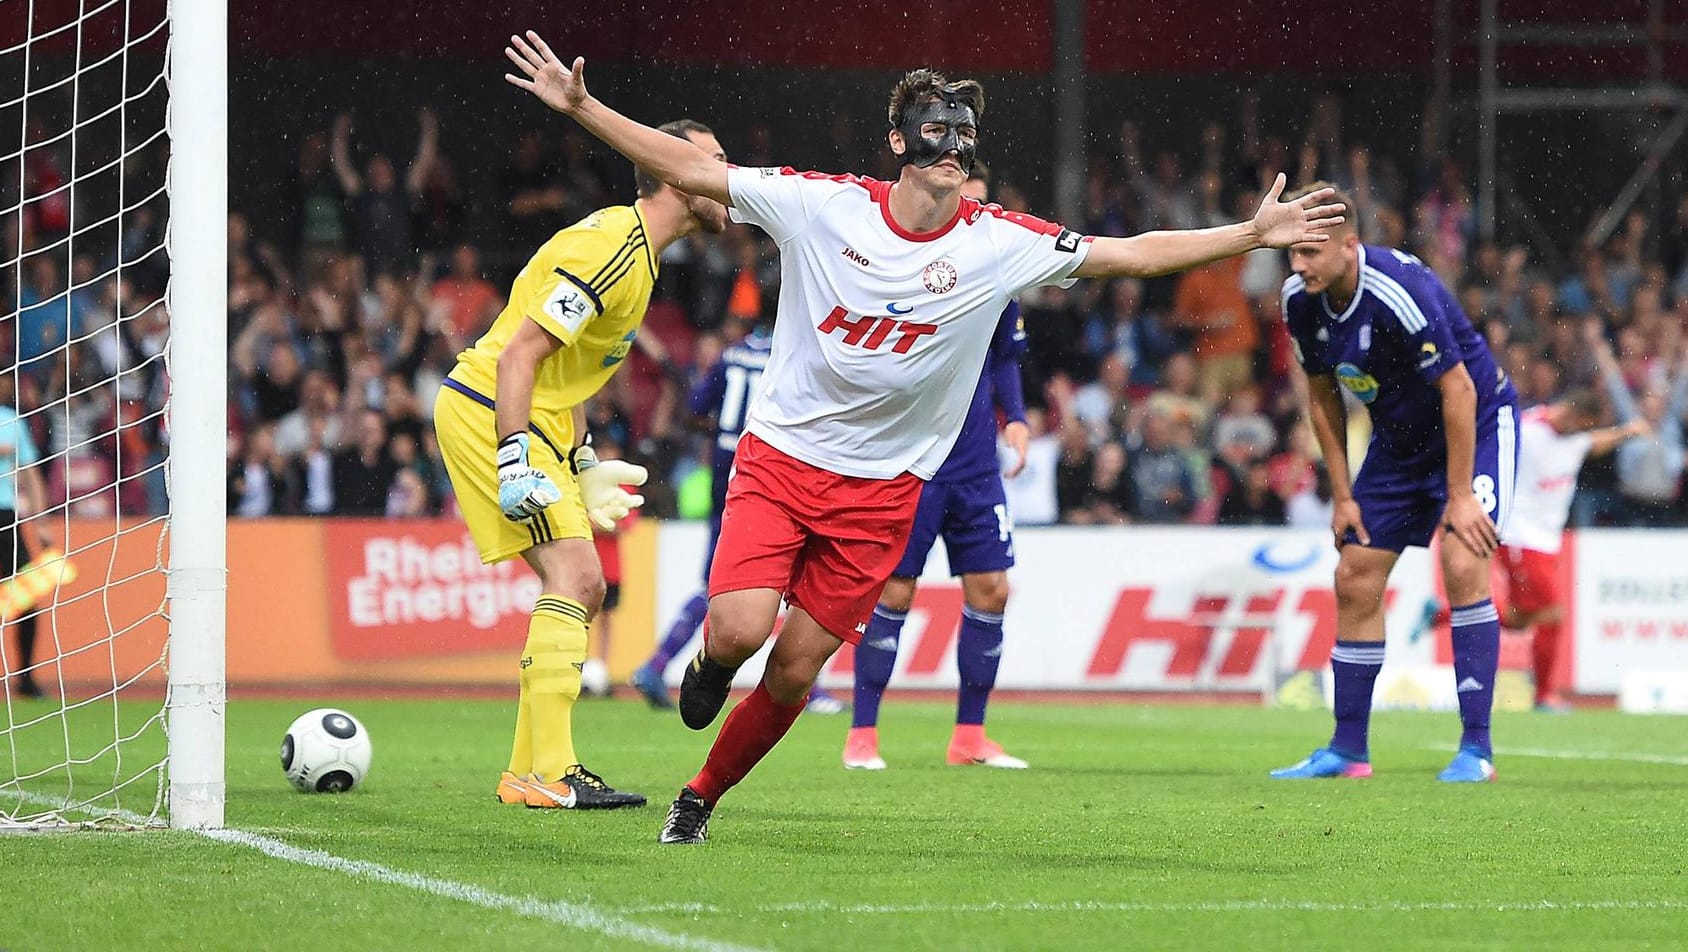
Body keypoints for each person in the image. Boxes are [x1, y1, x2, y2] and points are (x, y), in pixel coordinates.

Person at [503, 31, 1342, 843]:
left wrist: (1247, 234)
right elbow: (693, 167)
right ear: (899, 139)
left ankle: (700, 796)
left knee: (795, 670)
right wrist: (584, 107)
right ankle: (710, 668)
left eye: (963, 135)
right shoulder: (823, 206)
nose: (952, 147)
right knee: (739, 630)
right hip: (783, 461)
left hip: (884, 490)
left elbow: (1129, 254)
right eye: (934, 130)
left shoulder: (999, 243)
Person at [432, 112, 730, 810]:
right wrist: (513, 458)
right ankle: (554, 772)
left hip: (527, 419)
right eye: (714, 162)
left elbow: (562, 375)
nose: (727, 178)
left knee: (578, 582)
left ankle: (525, 773)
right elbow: (519, 355)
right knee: (580, 576)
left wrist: (583, 457)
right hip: (492, 409)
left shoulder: (637, 256)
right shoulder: (612, 247)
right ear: (674, 173)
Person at [1271, 183, 1517, 784]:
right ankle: (1348, 750)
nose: (1298, 265)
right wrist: (1343, 495)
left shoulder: (1400, 292)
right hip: (1400, 444)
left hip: (1476, 426)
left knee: (1463, 562)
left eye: (1310, 253)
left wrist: (1460, 495)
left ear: (1349, 246)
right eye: (1292, 255)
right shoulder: (1299, 303)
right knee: (1353, 572)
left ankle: (1476, 750)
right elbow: (1322, 395)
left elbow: (1459, 390)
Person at [843, 164, 1032, 772]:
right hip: (913, 460)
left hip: (976, 462)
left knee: (992, 590)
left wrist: (1018, 418)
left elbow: (1006, 354)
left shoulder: (996, 272)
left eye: (980, 203)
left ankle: (969, 736)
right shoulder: (905, 270)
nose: (972, 214)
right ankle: (862, 735)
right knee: (894, 590)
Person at [629, 318, 849, 715]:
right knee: (774, 584)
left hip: (725, 476)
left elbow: (695, 411)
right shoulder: (793, 354)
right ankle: (806, 689)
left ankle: (656, 665)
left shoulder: (731, 355)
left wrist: (722, 434)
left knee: (728, 581)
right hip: (772, 475)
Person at [1501, 388, 1648, 711]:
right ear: (1572, 413)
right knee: (1553, 615)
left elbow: (1593, 444)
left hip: (1546, 540)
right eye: (1585, 424)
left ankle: (1443, 612)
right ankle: (1544, 696)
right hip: (1521, 536)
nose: (1585, 431)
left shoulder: (1575, 437)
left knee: (1520, 619)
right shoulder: (1526, 430)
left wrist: (1626, 432)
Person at [0, 372, 49, 699]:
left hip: (6, 514)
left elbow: (30, 471)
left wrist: (41, 521)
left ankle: (26, 676)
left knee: (26, 596)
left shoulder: (10, 420)